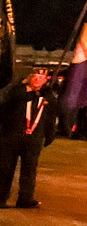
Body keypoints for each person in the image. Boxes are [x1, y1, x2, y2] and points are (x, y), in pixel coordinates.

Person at [0, 66, 58, 208]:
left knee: (29, 169)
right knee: (5, 169)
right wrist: (36, 94)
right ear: (30, 77)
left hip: (33, 138)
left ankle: (25, 198)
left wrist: (49, 135)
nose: (38, 80)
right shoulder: (17, 90)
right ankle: (1, 197)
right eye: (36, 77)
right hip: (12, 136)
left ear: (46, 80)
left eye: (42, 78)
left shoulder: (47, 95)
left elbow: (51, 116)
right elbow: (13, 101)